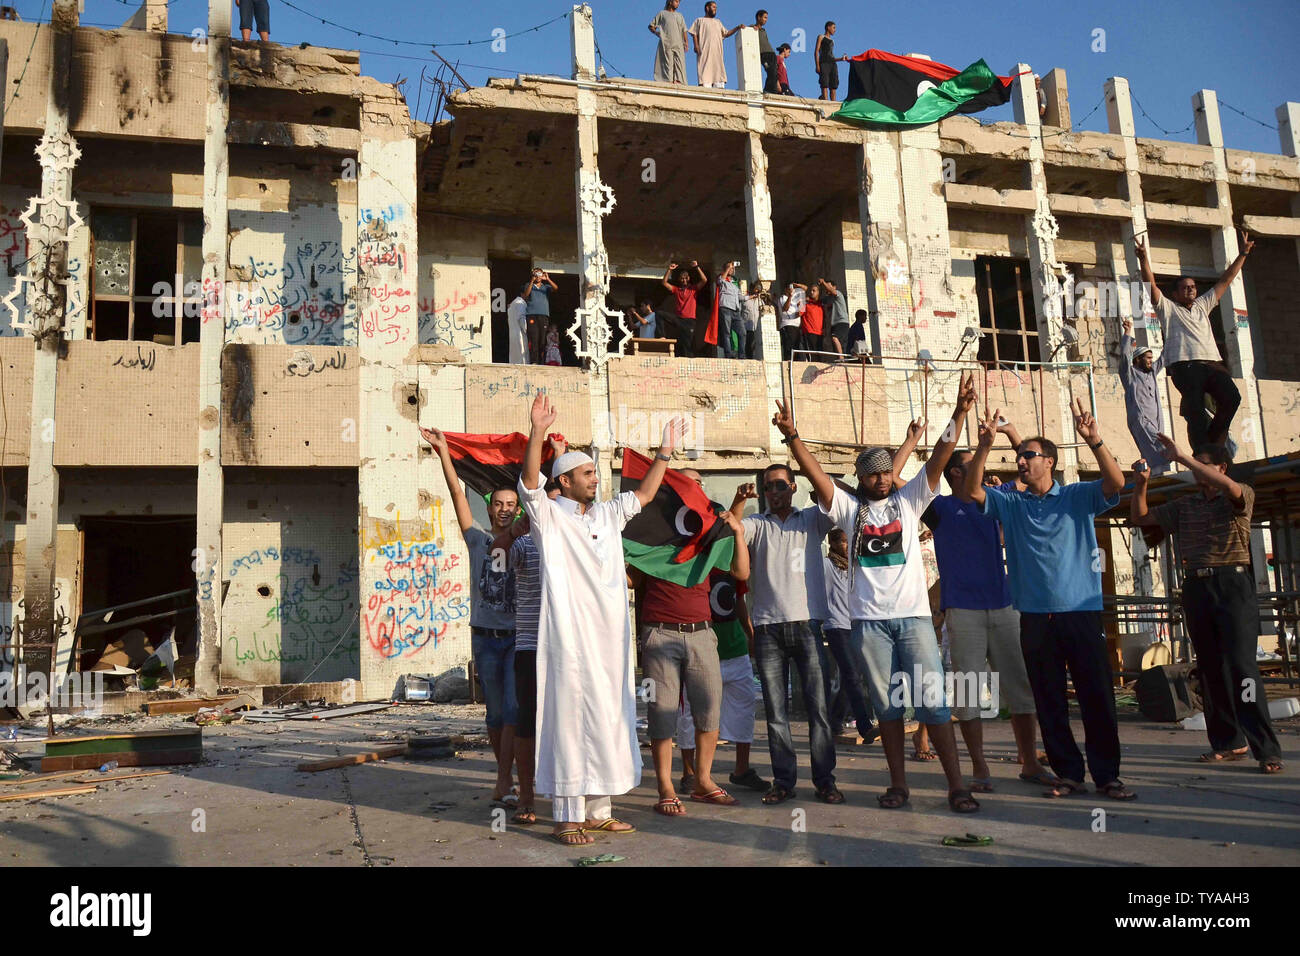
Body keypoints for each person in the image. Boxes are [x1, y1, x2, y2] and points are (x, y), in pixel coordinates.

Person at [783, 375, 985, 813]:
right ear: (860, 478)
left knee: (934, 705)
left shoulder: (910, 501)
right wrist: (793, 437)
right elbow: (815, 474)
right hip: (869, 627)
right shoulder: (848, 510)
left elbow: (940, 457)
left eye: (886, 472)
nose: (881, 479)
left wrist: (959, 413)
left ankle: (957, 787)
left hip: (913, 621)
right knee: (889, 710)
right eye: (873, 474)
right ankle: (899, 786)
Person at [519, 393, 685, 845]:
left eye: (595, 472)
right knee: (571, 721)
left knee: (610, 716)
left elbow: (647, 494)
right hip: (569, 639)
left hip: (610, 640)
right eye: (588, 473)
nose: (596, 479)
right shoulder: (549, 517)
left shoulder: (609, 515)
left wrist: (664, 452)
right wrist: (537, 432)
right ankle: (566, 816)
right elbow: (530, 482)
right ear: (566, 480)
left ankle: (597, 811)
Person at [962, 398, 1137, 801]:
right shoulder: (1011, 503)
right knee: (1050, 699)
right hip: (1036, 619)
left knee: (1097, 698)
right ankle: (1069, 773)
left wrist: (1095, 441)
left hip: (1082, 613)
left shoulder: (1077, 496)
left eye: (1028, 456)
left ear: (1050, 462)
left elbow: (1116, 484)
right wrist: (987, 445)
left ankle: (1108, 775)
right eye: (1019, 456)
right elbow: (972, 491)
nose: (1021, 461)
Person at [1130, 436, 1283, 774]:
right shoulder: (1186, 505)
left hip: (1232, 584)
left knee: (1242, 668)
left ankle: (1266, 748)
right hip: (1197, 586)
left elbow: (1228, 487)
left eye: (1204, 464)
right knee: (1211, 668)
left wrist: (1182, 456)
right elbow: (1141, 518)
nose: (1196, 471)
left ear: (1221, 467)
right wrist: (1141, 485)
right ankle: (1229, 742)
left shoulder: (1239, 494)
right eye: (1193, 465)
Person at [921, 434, 1054, 792]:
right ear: (953, 475)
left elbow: (1033, 462)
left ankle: (1029, 762)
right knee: (967, 695)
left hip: (1005, 605)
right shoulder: (940, 509)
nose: (981, 469)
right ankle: (979, 769)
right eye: (969, 466)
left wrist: (1008, 432)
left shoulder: (998, 500)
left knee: (1021, 691)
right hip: (963, 611)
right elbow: (910, 479)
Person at [728, 461, 842, 805]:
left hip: (807, 624)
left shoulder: (811, 519)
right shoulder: (758, 524)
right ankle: (784, 782)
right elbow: (731, 527)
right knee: (776, 713)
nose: (774, 492)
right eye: (768, 487)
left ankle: (825, 781)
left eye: (780, 485)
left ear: (793, 487)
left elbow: (831, 498)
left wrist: (808, 471)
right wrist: (738, 499)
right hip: (767, 629)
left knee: (818, 711)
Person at [641, 468, 751, 817]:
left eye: (699, 483)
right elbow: (629, 578)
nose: (694, 487)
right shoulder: (649, 532)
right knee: (662, 713)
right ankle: (666, 787)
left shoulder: (707, 533)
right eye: (686, 481)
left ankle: (703, 781)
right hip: (660, 633)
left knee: (708, 710)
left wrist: (737, 531)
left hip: (703, 633)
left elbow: (741, 573)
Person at [421, 427, 520, 809]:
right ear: (490, 508)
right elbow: (457, 493)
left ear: (518, 508)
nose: (505, 508)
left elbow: (547, 496)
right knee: (494, 713)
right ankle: (505, 773)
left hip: (516, 638)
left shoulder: (528, 540)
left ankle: (503, 778)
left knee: (511, 709)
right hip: (485, 638)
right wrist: (444, 452)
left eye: (512, 503)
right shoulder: (477, 540)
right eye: (498, 503)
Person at [1135, 231, 1253, 449]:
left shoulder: (1202, 304)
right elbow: (1150, 285)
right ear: (1175, 293)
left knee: (1232, 398)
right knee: (1195, 409)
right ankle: (1201, 450)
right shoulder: (1168, 308)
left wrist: (1243, 253)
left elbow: (1227, 279)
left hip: (1211, 364)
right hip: (1185, 366)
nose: (1190, 289)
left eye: (1193, 286)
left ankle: (1214, 441)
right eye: (1185, 287)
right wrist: (1143, 259)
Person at [676, 567, 769, 794]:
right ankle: (690, 773)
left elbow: (739, 600)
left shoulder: (732, 562)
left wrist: (749, 633)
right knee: (689, 712)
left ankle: (741, 770)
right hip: (700, 649)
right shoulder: (689, 560)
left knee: (744, 710)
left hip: (735, 649)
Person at [823, 529, 877, 742]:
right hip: (836, 625)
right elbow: (820, 592)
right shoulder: (828, 566)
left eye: (849, 542)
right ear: (833, 544)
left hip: (855, 624)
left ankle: (834, 720)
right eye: (843, 542)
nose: (847, 546)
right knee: (852, 675)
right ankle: (865, 726)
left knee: (852, 675)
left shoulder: (854, 565)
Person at [1119, 316, 1170, 476]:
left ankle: (1151, 478)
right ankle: (1157, 478)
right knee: (1159, 451)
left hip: (1156, 421)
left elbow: (1164, 357)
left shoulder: (1152, 372)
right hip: (1141, 420)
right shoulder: (1130, 374)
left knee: (1154, 450)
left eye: (1151, 358)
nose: (1150, 361)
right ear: (1138, 359)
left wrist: (1172, 332)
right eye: (1147, 358)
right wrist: (1128, 332)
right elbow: (1125, 356)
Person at [689, 2, 744, 88]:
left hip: (717, 56)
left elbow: (726, 33)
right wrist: (696, 45)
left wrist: (737, 27)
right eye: (713, 7)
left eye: (716, 7)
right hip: (705, 54)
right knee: (705, 79)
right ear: (707, 8)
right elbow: (694, 33)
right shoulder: (699, 20)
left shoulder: (718, 22)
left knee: (719, 81)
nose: (715, 9)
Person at [661, 259, 707, 358]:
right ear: (679, 279)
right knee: (659, 314)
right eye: (682, 278)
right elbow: (664, 283)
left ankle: (689, 360)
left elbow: (704, 280)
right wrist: (669, 270)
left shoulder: (693, 289)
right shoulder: (676, 290)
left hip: (690, 321)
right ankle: (662, 336)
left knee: (688, 344)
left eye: (686, 278)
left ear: (689, 278)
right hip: (678, 319)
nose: (684, 280)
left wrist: (696, 267)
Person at [523, 268, 558, 365]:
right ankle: (534, 361)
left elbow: (556, 288)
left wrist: (548, 279)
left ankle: (542, 361)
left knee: (542, 339)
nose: (538, 275)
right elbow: (526, 295)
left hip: (544, 315)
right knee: (534, 338)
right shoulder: (529, 285)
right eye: (536, 273)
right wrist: (532, 281)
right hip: (532, 315)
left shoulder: (545, 287)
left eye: (539, 273)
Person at [649, 0, 689, 85]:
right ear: (670, 2)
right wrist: (657, 33)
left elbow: (684, 30)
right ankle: (668, 80)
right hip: (666, 42)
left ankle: (679, 80)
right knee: (668, 62)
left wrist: (686, 42)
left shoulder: (680, 15)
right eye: (676, 1)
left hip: (678, 42)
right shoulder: (662, 13)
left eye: (678, 2)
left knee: (679, 61)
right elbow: (651, 26)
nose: (677, 4)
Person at [813, 22, 848, 101]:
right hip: (824, 63)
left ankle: (833, 102)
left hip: (832, 64)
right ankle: (825, 100)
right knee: (824, 83)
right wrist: (817, 65)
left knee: (834, 84)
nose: (834, 30)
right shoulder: (821, 37)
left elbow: (831, 56)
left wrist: (841, 59)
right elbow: (816, 51)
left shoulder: (832, 41)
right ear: (828, 27)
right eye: (833, 27)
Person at [716, 262, 744, 359]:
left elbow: (741, 297)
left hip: (735, 311)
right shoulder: (722, 279)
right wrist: (727, 268)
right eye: (730, 268)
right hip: (726, 309)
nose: (732, 269)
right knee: (726, 333)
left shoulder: (735, 283)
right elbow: (720, 281)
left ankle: (741, 355)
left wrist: (752, 296)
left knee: (742, 333)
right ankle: (728, 355)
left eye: (733, 268)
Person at [819, 278, 849, 354]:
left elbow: (832, 291)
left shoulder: (838, 294)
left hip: (841, 322)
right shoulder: (828, 299)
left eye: (829, 286)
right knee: (836, 344)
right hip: (833, 324)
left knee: (835, 338)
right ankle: (840, 359)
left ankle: (841, 358)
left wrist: (823, 282)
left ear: (834, 287)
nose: (827, 288)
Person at [752, 10, 779, 94]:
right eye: (764, 17)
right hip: (764, 54)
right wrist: (753, 28)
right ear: (758, 17)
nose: (766, 20)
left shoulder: (763, 30)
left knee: (774, 73)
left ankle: (773, 91)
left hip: (771, 53)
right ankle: (767, 90)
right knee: (770, 71)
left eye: (767, 18)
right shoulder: (752, 27)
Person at [778, 282, 805, 360]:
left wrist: (800, 308)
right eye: (790, 289)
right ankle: (788, 364)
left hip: (796, 326)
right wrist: (790, 297)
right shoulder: (783, 298)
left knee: (797, 348)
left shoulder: (795, 300)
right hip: (788, 325)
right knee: (789, 348)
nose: (792, 291)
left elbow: (797, 314)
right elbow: (785, 309)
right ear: (786, 289)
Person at [798, 283, 827, 356]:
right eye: (811, 290)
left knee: (819, 355)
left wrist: (824, 329)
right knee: (811, 354)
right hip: (809, 332)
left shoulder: (821, 304)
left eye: (814, 291)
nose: (811, 292)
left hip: (819, 333)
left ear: (818, 292)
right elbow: (799, 313)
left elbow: (825, 318)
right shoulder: (805, 303)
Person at [742, 279, 764, 359]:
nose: (757, 291)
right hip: (747, 328)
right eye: (755, 289)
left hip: (757, 328)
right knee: (748, 346)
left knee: (757, 346)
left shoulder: (760, 301)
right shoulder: (745, 300)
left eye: (758, 290)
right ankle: (748, 358)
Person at [506, 292, 528, 365]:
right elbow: (521, 318)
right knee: (521, 353)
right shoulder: (520, 303)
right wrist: (526, 330)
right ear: (522, 294)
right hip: (519, 332)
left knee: (514, 354)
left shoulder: (512, 304)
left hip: (513, 332)